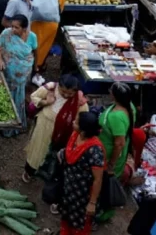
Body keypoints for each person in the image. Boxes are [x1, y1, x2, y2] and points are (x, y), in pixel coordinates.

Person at [24, 75, 88, 182]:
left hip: (64, 132)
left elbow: (84, 116)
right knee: (38, 149)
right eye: (63, 92)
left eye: (70, 93)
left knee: (55, 153)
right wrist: (46, 102)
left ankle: (49, 175)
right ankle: (29, 172)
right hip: (44, 125)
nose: (66, 95)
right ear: (59, 86)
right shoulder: (50, 88)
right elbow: (34, 97)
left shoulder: (80, 100)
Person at [57, 112, 105, 235]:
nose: (73, 122)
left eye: (76, 122)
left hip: (82, 195)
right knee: (66, 216)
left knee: (79, 224)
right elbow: (70, 154)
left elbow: (97, 180)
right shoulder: (75, 135)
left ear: (83, 131)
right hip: (69, 188)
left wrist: (92, 203)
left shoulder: (95, 150)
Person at [97, 82, 136, 222]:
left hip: (110, 155)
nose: (109, 91)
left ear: (114, 95)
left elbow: (119, 143)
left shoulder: (115, 117)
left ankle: (103, 213)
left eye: (110, 90)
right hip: (117, 154)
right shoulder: (129, 107)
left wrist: (111, 164)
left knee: (104, 185)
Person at [0, 14, 37, 135]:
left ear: (24, 28)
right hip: (9, 72)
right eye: (12, 26)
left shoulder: (32, 36)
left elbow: (34, 51)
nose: (13, 29)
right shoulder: (6, 33)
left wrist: (35, 67)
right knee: (7, 95)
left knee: (18, 95)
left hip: (22, 73)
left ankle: (16, 123)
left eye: (16, 27)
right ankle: (4, 123)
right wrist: (0, 59)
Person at [30, 0, 65, 72]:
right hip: (52, 23)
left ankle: (32, 64)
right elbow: (61, 8)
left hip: (38, 22)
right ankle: (40, 65)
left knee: (36, 43)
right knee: (46, 44)